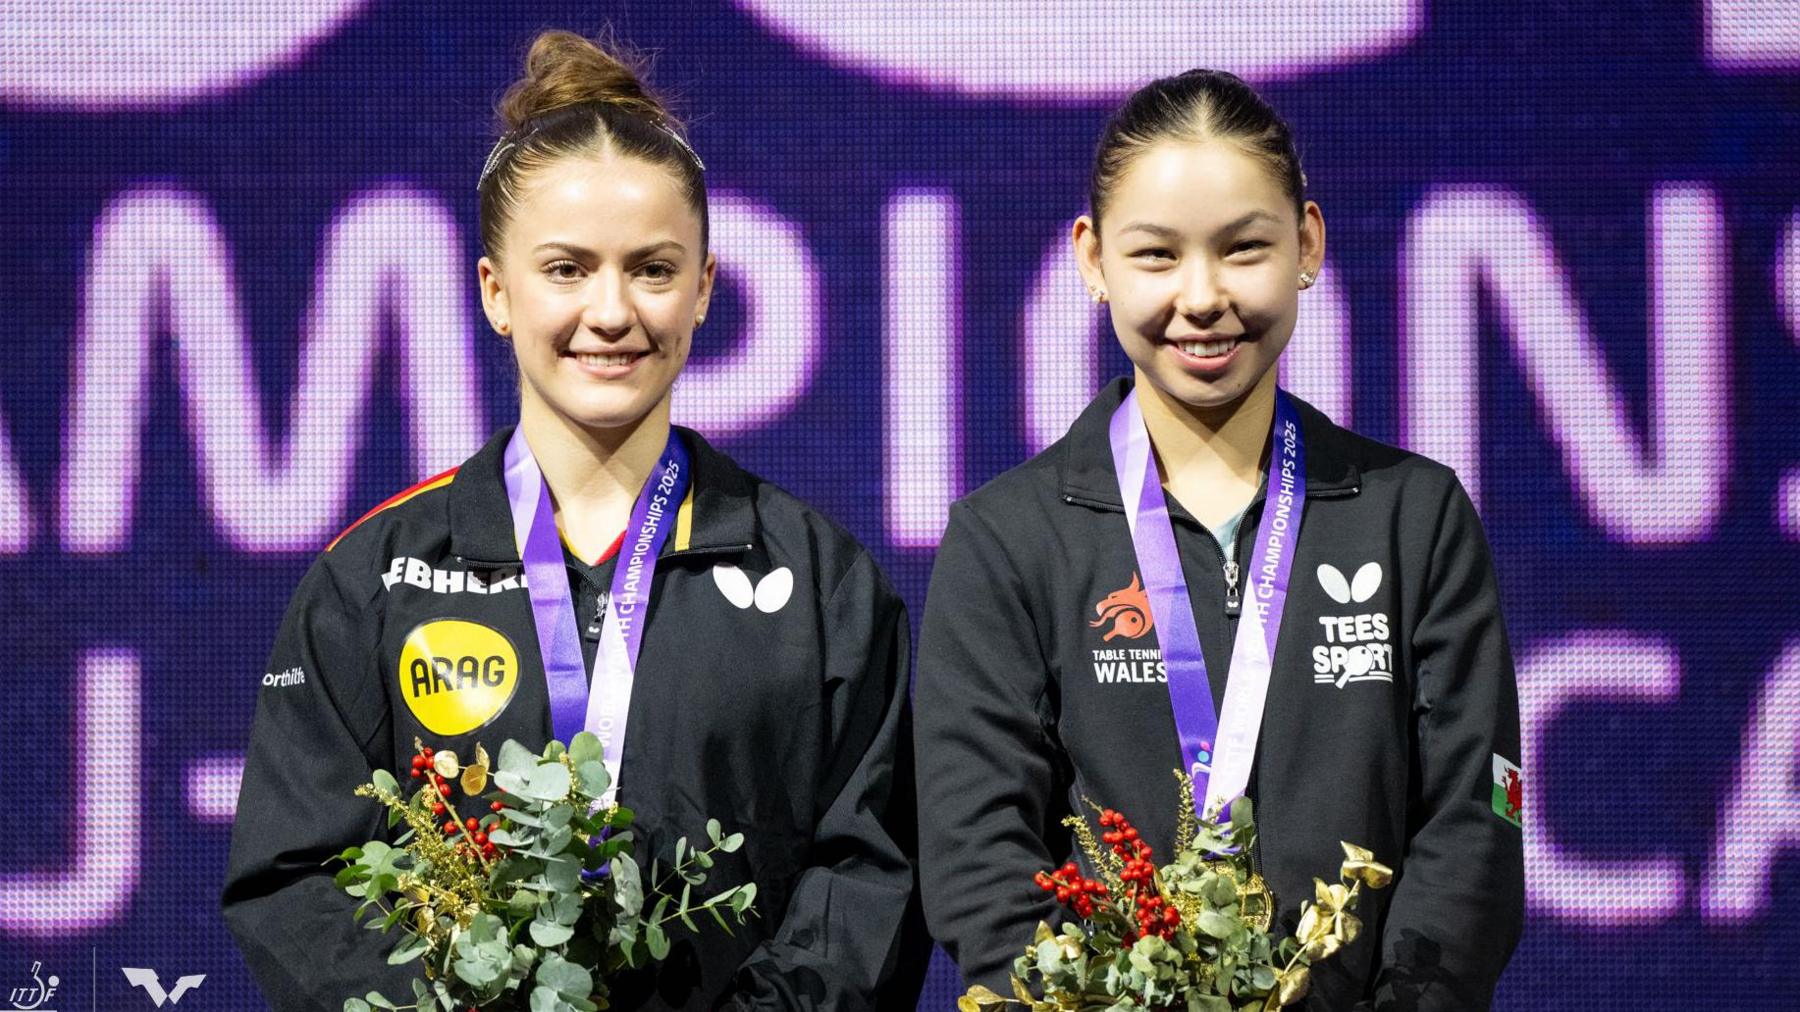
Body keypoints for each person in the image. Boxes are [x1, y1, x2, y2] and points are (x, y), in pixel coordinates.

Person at [223, 30, 922, 1011]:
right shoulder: (376, 576)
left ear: (705, 288)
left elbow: (872, 874)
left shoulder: (822, 583)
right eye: (565, 269)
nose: (610, 310)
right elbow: (294, 879)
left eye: (651, 268)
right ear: (496, 293)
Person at [914, 69, 1523, 1010]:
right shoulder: (1008, 539)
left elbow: (1470, 828)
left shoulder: (1414, 517)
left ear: (1307, 243)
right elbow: (979, 856)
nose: (1201, 298)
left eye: (1244, 249)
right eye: (1156, 256)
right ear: (1092, 260)